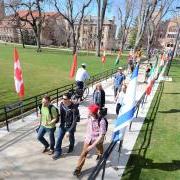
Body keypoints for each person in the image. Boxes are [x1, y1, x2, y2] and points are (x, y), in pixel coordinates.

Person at [73, 104, 107, 177]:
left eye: (89, 110)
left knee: (100, 148)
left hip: (97, 140)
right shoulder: (89, 117)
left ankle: (100, 154)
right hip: (88, 138)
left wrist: (92, 146)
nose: (87, 111)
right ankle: (78, 169)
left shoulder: (102, 121)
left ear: (92, 112)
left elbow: (101, 135)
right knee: (83, 153)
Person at [53, 93, 80, 160]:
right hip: (62, 125)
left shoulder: (74, 108)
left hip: (70, 126)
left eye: (65, 99)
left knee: (71, 137)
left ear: (69, 99)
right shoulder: (61, 104)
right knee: (59, 138)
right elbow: (61, 115)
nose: (63, 100)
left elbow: (74, 121)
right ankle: (58, 151)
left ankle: (71, 146)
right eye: (62, 98)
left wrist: (69, 131)